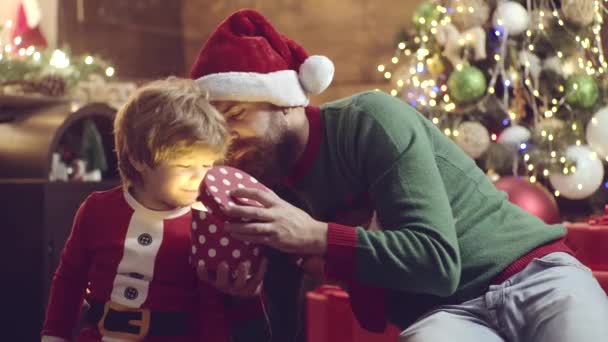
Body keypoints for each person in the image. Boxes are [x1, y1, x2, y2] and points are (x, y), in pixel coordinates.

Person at [190, 9, 608, 342]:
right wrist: (244, 302)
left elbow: (437, 262)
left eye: (236, 115)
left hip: (531, 276)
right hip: (443, 316)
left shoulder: (369, 120)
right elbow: (293, 331)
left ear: (284, 102)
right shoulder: (263, 190)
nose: (227, 139)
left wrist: (316, 235)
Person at [41, 78, 268, 342]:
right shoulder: (97, 210)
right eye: (184, 166)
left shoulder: (208, 222)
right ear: (138, 159)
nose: (199, 177)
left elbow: (212, 310)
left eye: (207, 165)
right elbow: (69, 280)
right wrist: (54, 335)